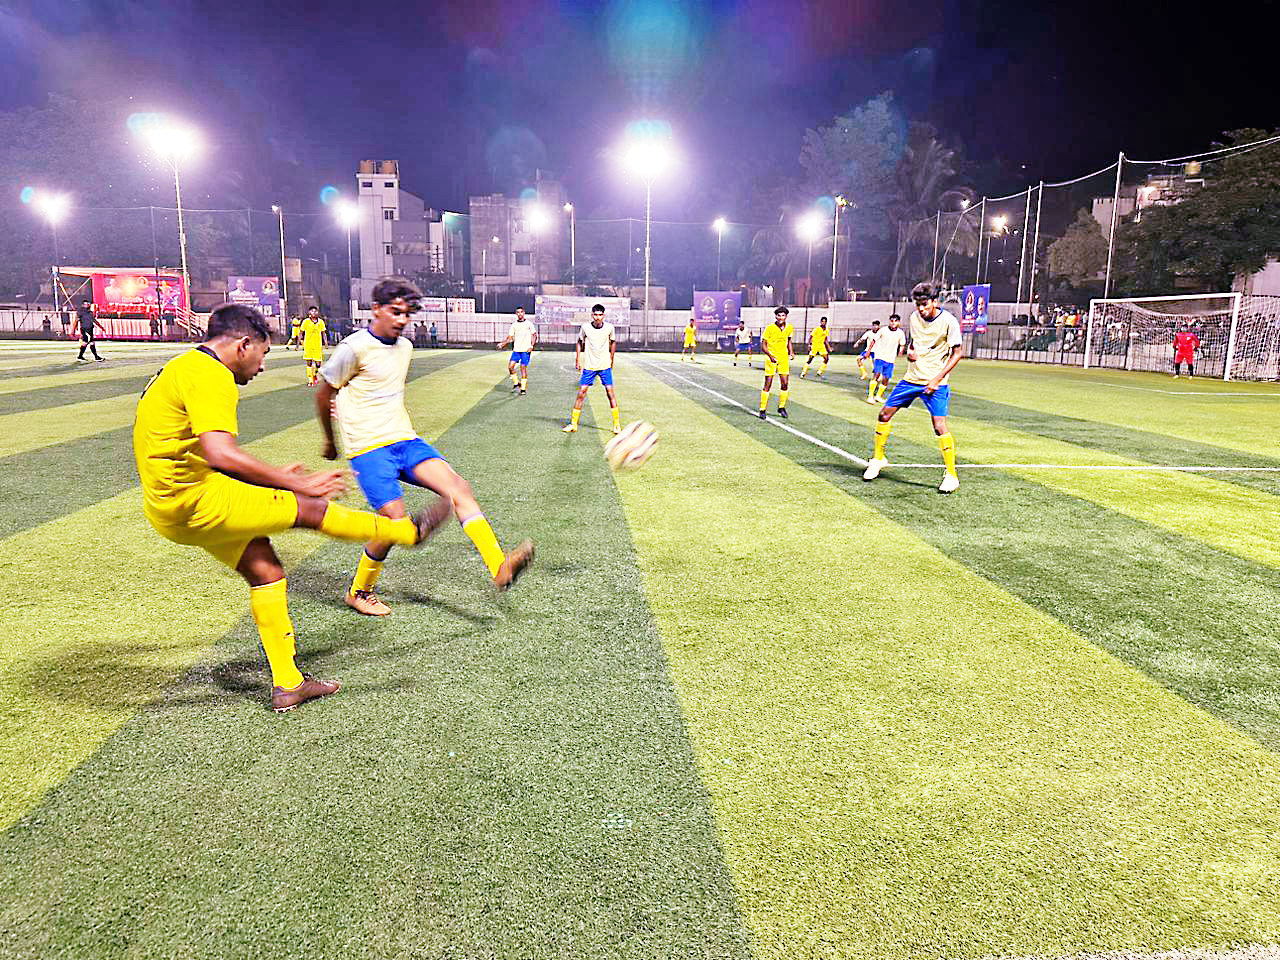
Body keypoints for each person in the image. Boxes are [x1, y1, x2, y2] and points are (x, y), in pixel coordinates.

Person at [133, 303, 452, 712]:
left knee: (265, 570)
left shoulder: (182, 367)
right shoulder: (211, 374)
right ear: (243, 345)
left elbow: (193, 454)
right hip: (194, 500)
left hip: (170, 506)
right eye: (262, 354)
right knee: (308, 509)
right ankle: (406, 532)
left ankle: (288, 685)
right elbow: (220, 453)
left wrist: (271, 478)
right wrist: (296, 483)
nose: (262, 366)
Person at [315, 278, 534, 616]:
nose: (402, 320)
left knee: (459, 488)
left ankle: (499, 567)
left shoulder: (405, 347)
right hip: (368, 449)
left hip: (405, 440)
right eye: (395, 312)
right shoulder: (353, 348)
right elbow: (324, 392)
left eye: (407, 314)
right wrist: (330, 440)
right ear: (376, 309)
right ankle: (360, 591)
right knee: (393, 522)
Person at [863, 282, 963, 493]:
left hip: (936, 382)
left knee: (939, 425)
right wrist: (910, 352)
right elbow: (914, 343)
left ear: (935, 302)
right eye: (917, 304)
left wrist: (936, 379)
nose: (921, 308)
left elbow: (957, 353)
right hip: (911, 379)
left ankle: (951, 476)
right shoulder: (914, 318)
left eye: (924, 304)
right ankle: (878, 459)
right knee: (884, 414)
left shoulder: (949, 322)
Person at [563, 303, 621, 434]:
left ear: (604, 315)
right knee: (581, 393)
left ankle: (617, 425)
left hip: (604, 366)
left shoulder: (609, 328)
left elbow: (613, 342)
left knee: (610, 393)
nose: (598, 317)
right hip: (589, 366)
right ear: (592, 315)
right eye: (595, 315)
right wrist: (578, 359)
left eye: (600, 315)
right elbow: (579, 341)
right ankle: (573, 424)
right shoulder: (585, 327)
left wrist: (611, 358)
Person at [758, 306, 794, 420]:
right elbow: (763, 345)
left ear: (786, 316)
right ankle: (762, 409)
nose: (781, 317)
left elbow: (789, 340)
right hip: (771, 359)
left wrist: (791, 352)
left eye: (783, 315)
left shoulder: (789, 328)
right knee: (768, 384)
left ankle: (781, 407)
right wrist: (770, 356)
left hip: (783, 358)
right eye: (779, 315)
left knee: (785, 383)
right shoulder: (770, 328)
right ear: (776, 316)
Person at [865, 313, 907, 404]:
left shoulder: (900, 333)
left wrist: (900, 352)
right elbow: (874, 340)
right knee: (877, 374)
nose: (893, 323)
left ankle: (878, 396)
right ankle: (870, 396)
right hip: (880, 356)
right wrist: (868, 351)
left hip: (890, 359)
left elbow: (902, 344)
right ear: (889, 321)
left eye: (895, 321)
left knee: (886, 379)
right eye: (892, 321)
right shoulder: (883, 330)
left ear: (899, 322)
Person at [497, 306, 537, 394]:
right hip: (516, 350)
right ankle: (516, 383)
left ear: (524, 313)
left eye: (521, 312)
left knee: (523, 368)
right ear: (516, 314)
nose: (520, 314)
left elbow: (534, 335)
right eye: (518, 312)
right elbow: (510, 337)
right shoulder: (514, 325)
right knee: (510, 367)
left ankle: (523, 389)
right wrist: (503, 343)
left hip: (525, 350)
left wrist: (531, 346)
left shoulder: (529, 324)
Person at [299, 306, 327, 386]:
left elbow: (323, 333)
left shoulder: (320, 322)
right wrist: (299, 343)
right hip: (308, 345)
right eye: (312, 311)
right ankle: (310, 380)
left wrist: (325, 343)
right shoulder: (306, 322)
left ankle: (314, 374)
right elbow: (301, 332)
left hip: (317, 345)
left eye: (315, 311)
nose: (314, 313)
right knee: (309, 362)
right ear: (309, 313)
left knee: (318, 364)